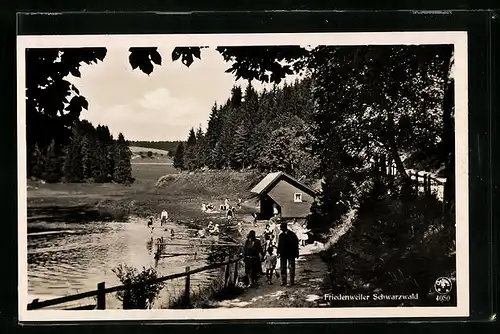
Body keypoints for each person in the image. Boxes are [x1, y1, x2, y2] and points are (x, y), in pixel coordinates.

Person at [277, 222, 299, 286]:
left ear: (284, 227)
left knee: (291, 268)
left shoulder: (292, 235)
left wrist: (296, 253)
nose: (281, 229)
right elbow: (279, 245)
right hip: (283, 254)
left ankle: (292, 282)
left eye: (281, 228)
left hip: (291, 254)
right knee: (283, 268)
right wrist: (278, 252)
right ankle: (284, 281)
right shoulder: (281, 235)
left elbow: (296, 244)